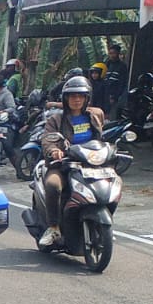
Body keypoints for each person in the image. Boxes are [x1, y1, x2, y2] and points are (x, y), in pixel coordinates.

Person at [37, 74, 104, 247]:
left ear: (86, 98)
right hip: (63, 165)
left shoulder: (94, 116)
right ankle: (53, 227)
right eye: (72, 96)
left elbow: (102, 139)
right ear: (65, 98)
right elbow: (48, 139)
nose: (76, 99)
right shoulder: (56, 119)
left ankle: (102, 224)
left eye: (80, 95)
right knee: (53, 185)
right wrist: (54, 151)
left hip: (90, 164)